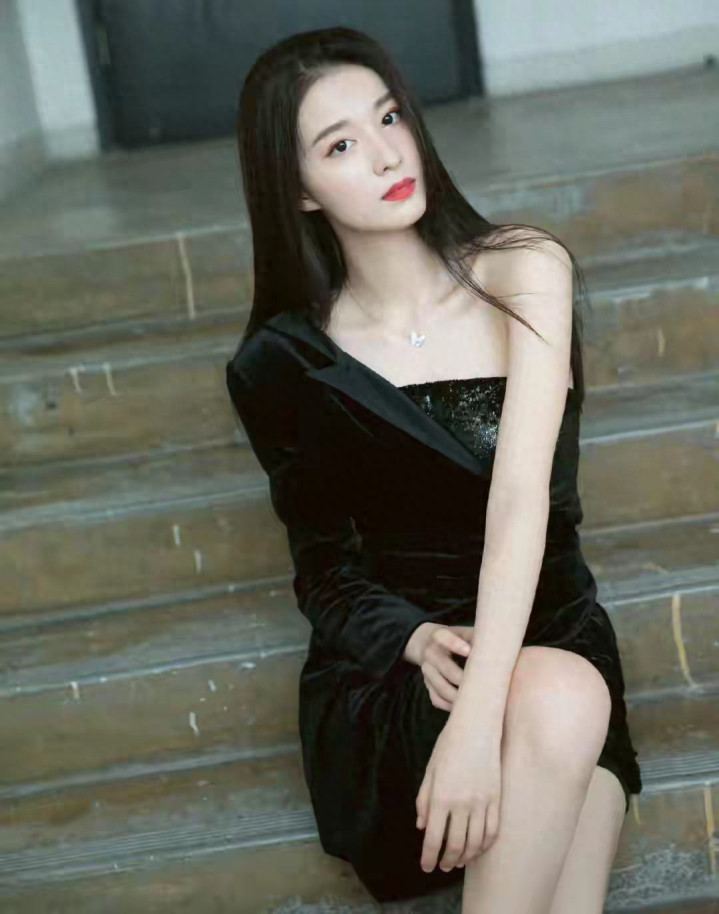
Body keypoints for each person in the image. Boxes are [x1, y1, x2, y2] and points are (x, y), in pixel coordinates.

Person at [225, 26, 642, 910]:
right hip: (407, 681)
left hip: (551, 639)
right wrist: (412, 640)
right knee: (560, 708)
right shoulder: (284, 363)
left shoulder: (523, 270)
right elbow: (325, 574)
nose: (384, 155)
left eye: (388, 119)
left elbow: (521, 501)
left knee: (565, 700)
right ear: (297, 190)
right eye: (340, 145)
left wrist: (478, 729)